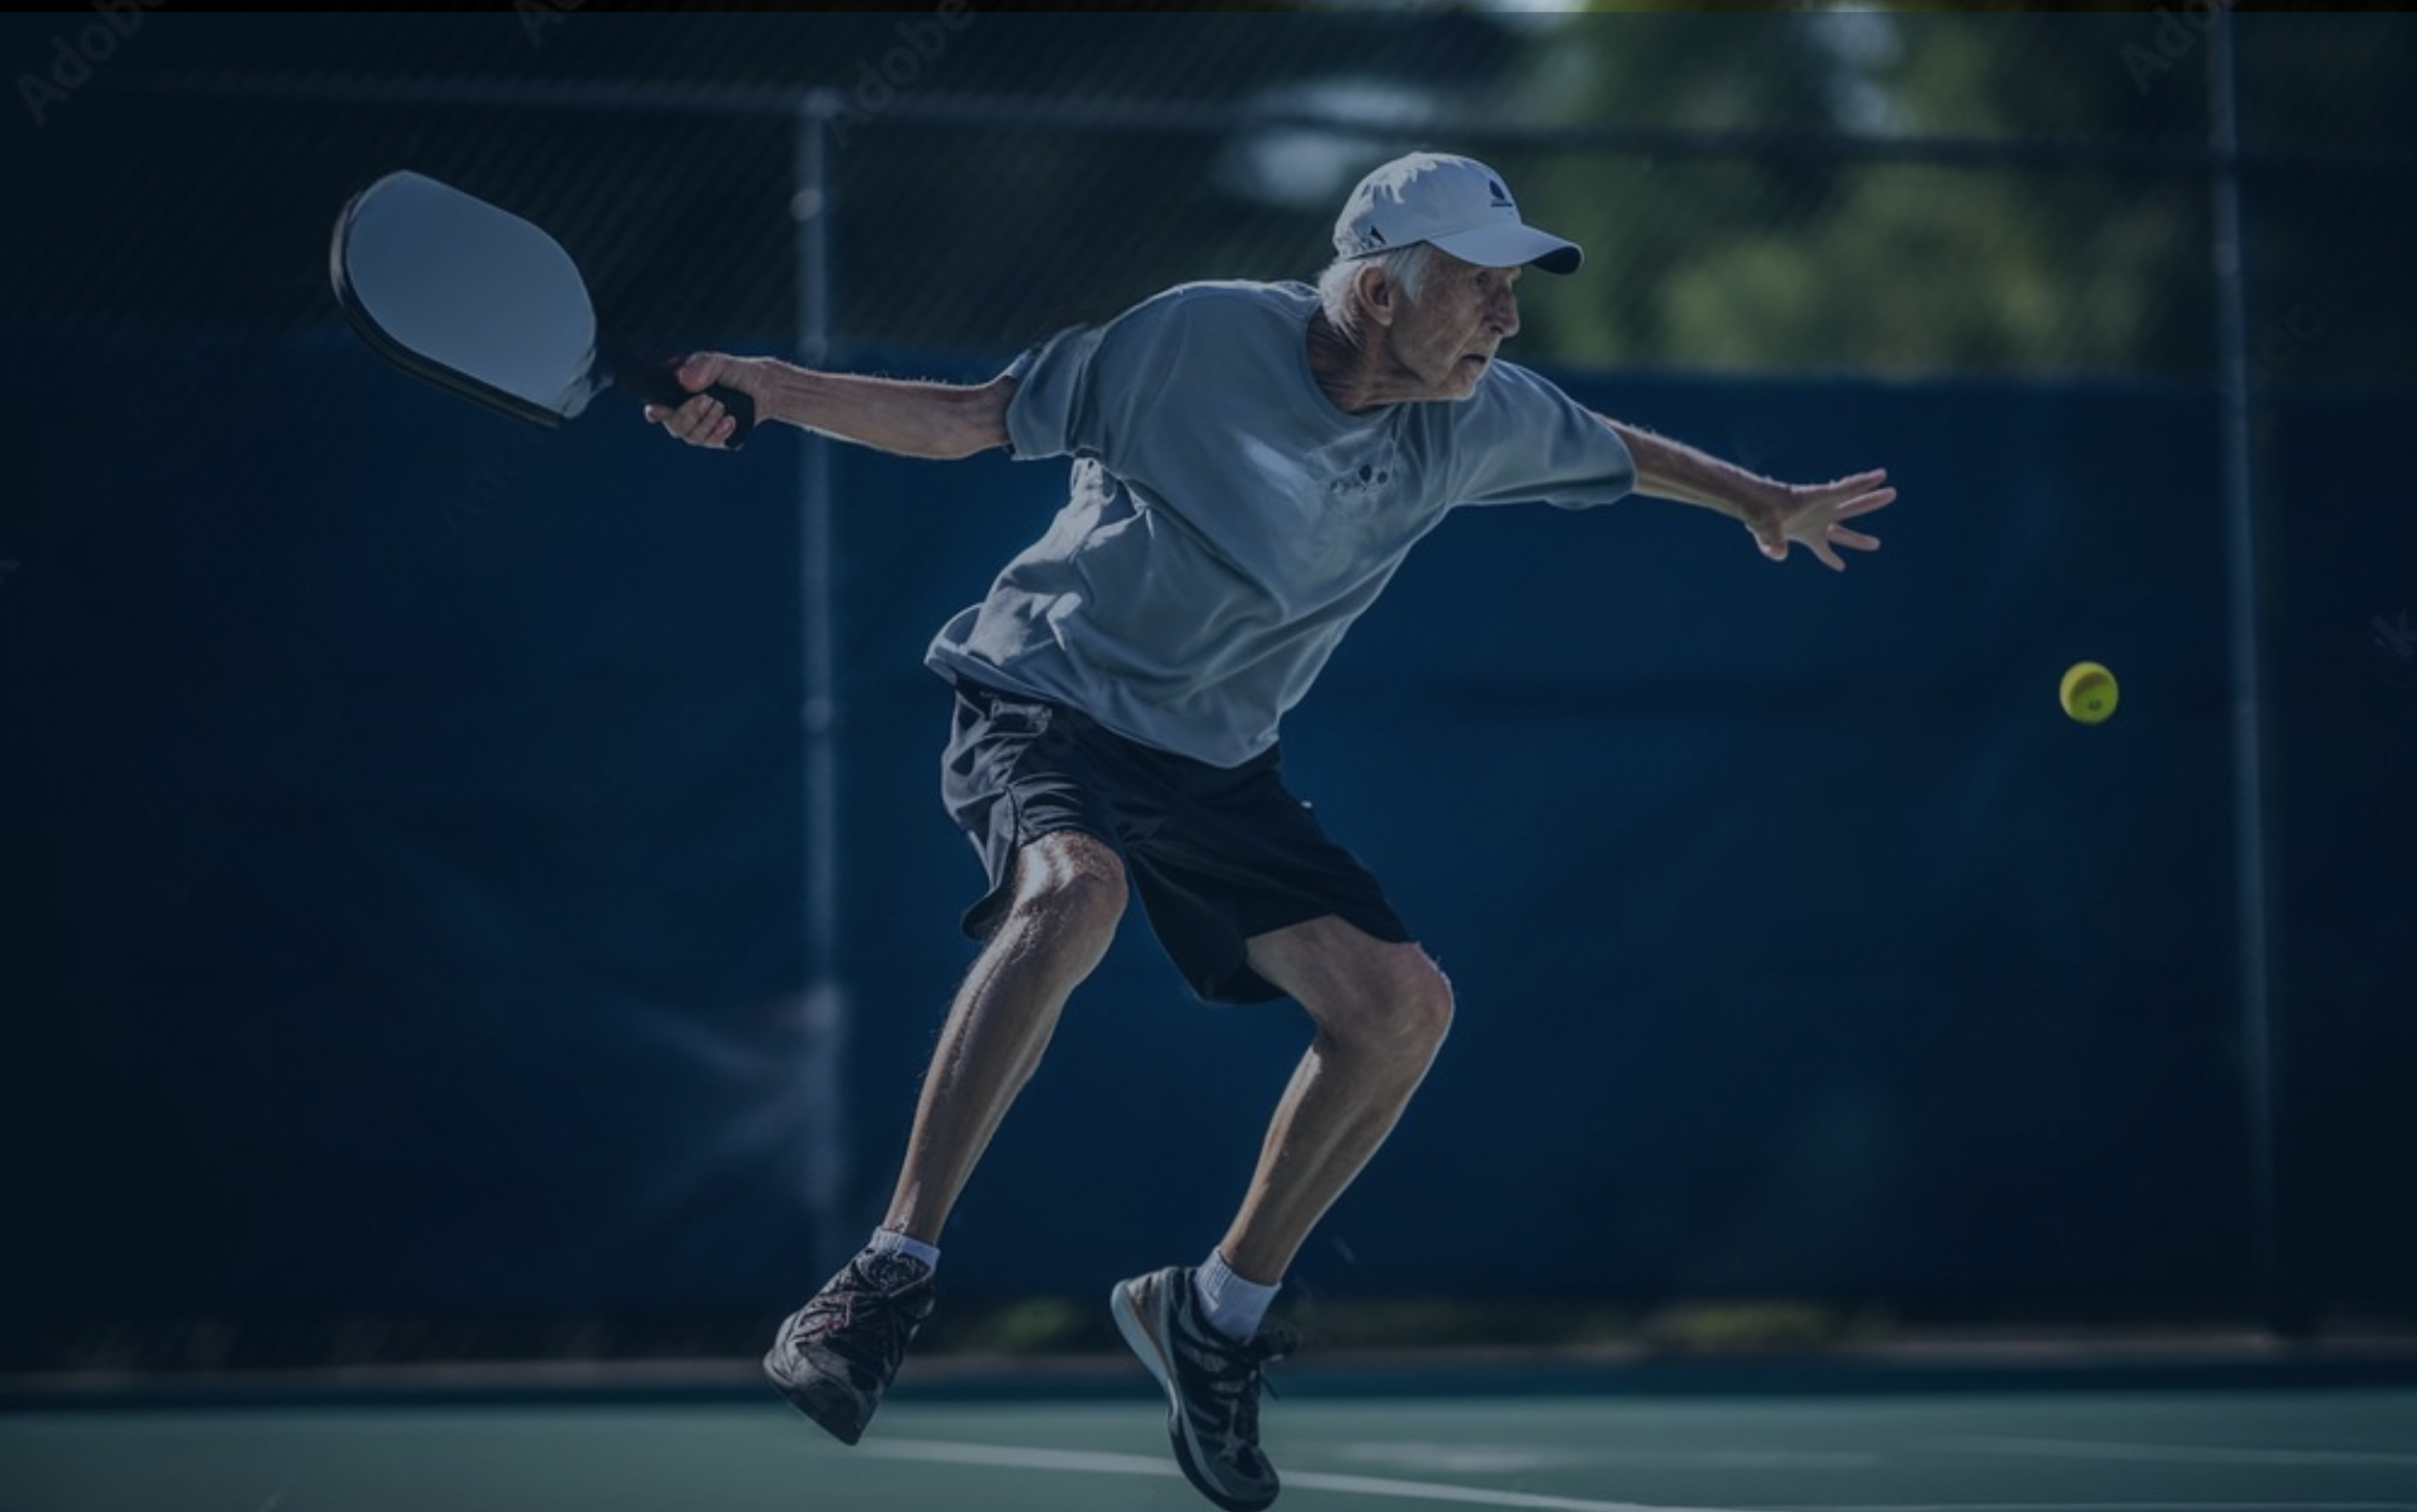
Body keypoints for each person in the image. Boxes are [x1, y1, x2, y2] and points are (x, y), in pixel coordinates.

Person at [648, 151, 1892, 1511]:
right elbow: (972, 418)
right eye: (1479, 283)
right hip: (1049, 698)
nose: (1507, 314)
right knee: (1074, 896)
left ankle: (1216, 1315)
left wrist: (1761, 501)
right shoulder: (1191, 340)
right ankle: (886, 1277)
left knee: (1402, 1009)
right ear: (1377, 290)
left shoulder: (1477, 413)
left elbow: (1616, 447)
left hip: (1215, 762)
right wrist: (766, 386)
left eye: (1513, 287)